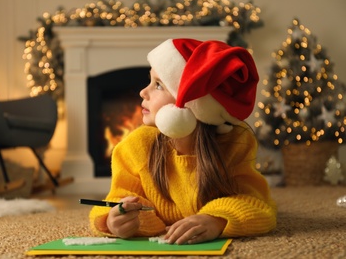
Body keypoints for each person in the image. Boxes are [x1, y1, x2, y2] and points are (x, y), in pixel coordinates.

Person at [89, 38, 277, 245]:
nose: (143, 92)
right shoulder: (134, 146)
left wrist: (216, 220)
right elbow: (115, 200)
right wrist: (114, 220)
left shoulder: (236, 141)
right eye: (150, 81)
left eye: (158, 85)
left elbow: (258, 205)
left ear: (193, 104)